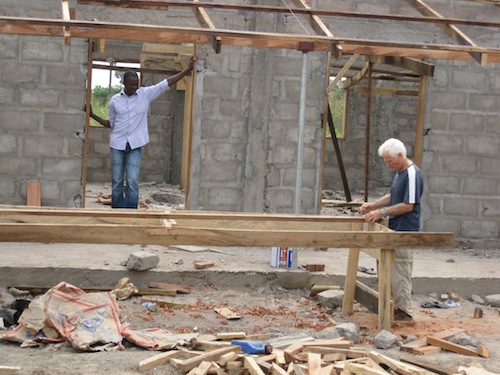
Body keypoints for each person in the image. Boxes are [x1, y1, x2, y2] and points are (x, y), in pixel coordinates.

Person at [89, 58, 196, 208]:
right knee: (117, 180)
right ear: (124, 84)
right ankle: (118, 211)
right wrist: (92, 116)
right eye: (131, 84)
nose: (134, 87)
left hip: (135, 145)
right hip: (117, 144)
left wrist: (187, 70)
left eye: (136, 84)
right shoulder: (115, 101)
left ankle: (131, 211)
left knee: (132, 180)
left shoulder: (145, 94)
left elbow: (166, 83)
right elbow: (111, 124)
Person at [360, 138, 423, 321]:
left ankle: (403, 312)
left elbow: (408, 205)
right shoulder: (400, 172)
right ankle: (391, 307)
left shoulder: (412, 174)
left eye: (390, 161)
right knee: (388, 267)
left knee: (400, 270)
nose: (388, 165)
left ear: (401, 155)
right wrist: (374, 205)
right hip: (395, 226)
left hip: (405, 229)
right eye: (386, 161)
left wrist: (382, 212)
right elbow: (393, 196)